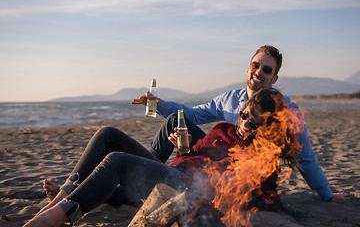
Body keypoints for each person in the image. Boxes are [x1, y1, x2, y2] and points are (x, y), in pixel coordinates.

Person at [24, 88, 293, 227]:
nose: (245, 124)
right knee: (107, 134)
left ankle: (55, 218)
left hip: (187, 190)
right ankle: (64, 197)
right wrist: (184, 150)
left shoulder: (262, 157)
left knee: (117, 161)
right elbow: (194, 156)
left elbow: (270, 198)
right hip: (175, 172)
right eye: (244, 116)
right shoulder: (224, 128)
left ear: (268, 127)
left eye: (255, 123)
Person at [132, 45, 349, 202]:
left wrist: (327, 196)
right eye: (256, 65)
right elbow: (192, 115)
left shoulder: (286, 110)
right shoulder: (230, 99)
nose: (259, 72)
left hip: (239, 175)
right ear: (248, 68)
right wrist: (158, 103)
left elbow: (306, 157)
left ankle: (140, 176)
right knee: (174, 121)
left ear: (274, 79)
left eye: (266, 70)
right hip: (218, 156)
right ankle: (144, 173)